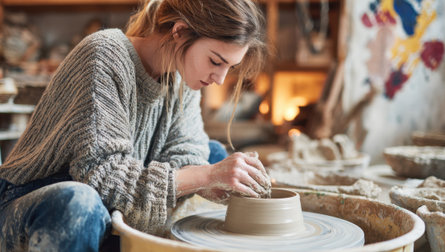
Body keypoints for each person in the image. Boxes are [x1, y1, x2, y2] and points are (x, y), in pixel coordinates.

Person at [0, 0, 270, 251]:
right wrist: (205, 177)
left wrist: (212, 177)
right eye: (215, 61)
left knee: (215, 156)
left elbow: (188, 155)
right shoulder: (104, 54)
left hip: (107, 205)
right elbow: (103, 177)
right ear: (180, 32)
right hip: (38, 201)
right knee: (80, 203)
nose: (221, 79)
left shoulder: (182, 78)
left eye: (230, 67)